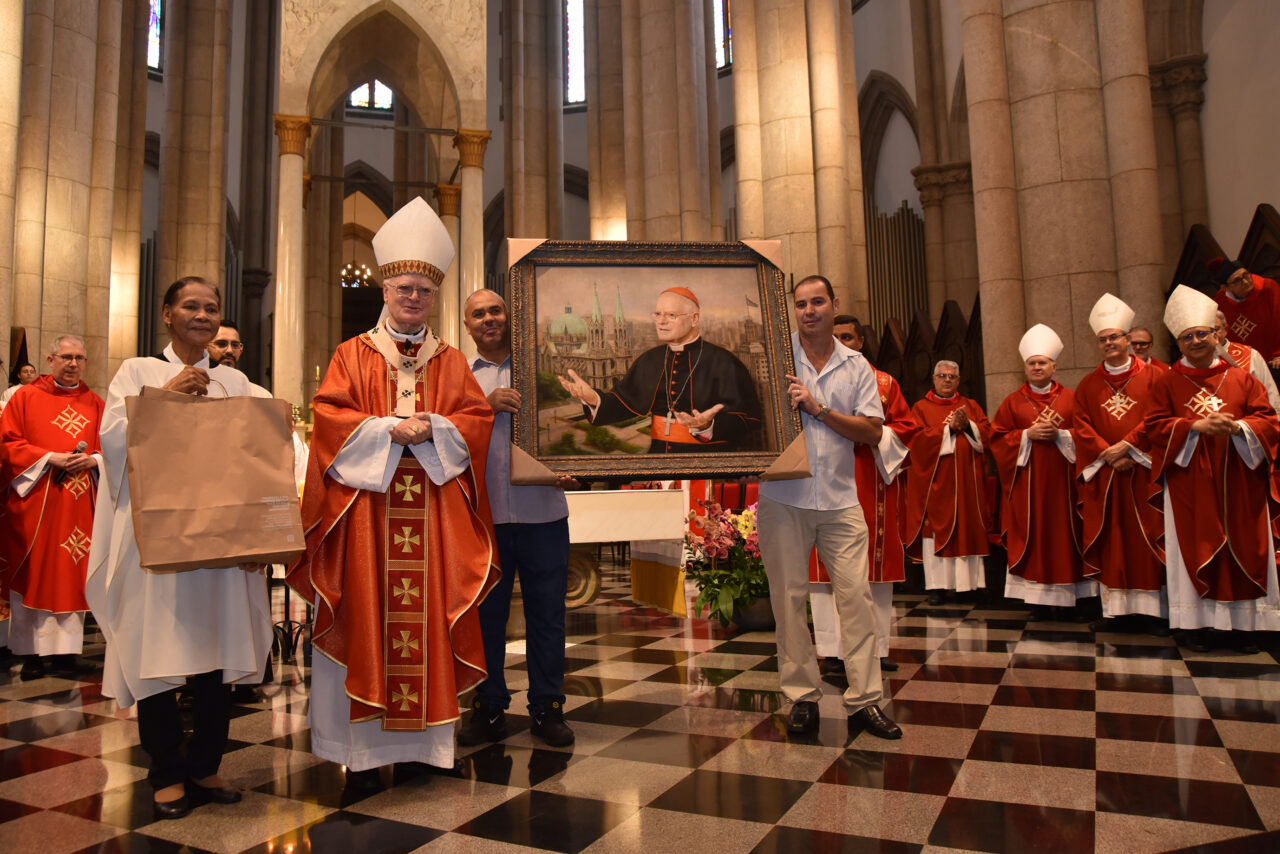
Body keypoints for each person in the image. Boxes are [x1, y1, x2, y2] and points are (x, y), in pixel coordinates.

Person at [286, 197, 498, 791]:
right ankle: (362, 754)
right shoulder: (351, 354)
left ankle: (425, 752)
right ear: (385, 289)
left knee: (426, 618)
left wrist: (436, 428)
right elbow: (329, 417)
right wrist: (385, 428)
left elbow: (475, 422)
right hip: (367, 519)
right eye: (404, 288)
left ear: (434, 298)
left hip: (431, 520)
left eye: (424, 292)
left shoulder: (452, 360)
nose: (413, 298)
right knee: (365, 617)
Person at [85, 277, 273, 820]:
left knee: (219, 654)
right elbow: (113, 446)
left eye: (212, 308)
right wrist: (163, 400)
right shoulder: (137, 371)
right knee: (158, 655)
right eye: (190, 306)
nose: (202, 315)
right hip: (159, 546)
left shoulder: (239, 384)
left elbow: (263, 460)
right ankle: (166, 770)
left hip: (224, 547)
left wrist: (263, 535)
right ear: (167, 314)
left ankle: (207, 765)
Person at [757, 274, 900, 740]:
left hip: (840, 499)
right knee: (789, 600)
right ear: (792, 311)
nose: (809, 310)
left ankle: (864, 701)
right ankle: (802, 696)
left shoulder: (856, 365)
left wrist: (819, 410)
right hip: (783, 497)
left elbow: (873, 432)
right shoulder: (774, 361)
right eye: (801, 304)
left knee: (855, 600)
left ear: (835, 305)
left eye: (818, 302)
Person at [458, 288, 576, 748]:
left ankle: (548, 706)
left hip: (544, 511)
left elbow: (577, 422)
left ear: (509, 316)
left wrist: (575, 466)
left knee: (547, 615)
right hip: (483, 517)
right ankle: (488, 707)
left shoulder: (543, 368)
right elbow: (445, 433)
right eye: (478, 314)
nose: (489, 318)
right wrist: (482, 409)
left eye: (495, 310)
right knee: (486, 616)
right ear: (467, 325)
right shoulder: (459, 378)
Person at [1147, 285, 1280, 653]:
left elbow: (1268, 420)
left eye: (1201, 334)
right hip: (1190, 484)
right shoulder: (1167, 383)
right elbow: (1154, 425)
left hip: (1240, 479)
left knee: (1245, 545)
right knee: (1193, 545)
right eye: (1187, 337)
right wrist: (1193, 427)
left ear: (1215, 334)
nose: (1195, 341)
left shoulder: (1242, 378)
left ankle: (1245, 627)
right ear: (1178, 342)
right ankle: (1196, 624)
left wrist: (1239, 427)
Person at [809, 315, 918, 675]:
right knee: (828, 569)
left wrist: (872, 435)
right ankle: (832, 651)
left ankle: (877, 647)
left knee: (872, 568)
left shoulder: (885, 383)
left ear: (860, 342)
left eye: (848, 337)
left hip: (871, 483)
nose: (842, 341)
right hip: (825, 484)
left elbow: (905, 428)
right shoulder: (813, 379)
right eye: (835, 335)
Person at [1, 335, 103, 680]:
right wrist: (49, 457)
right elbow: (8, 443)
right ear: (50, 360)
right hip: (37, 502)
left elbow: (112, 446)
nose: (73, 363)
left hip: (79, 505)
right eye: (66, 357)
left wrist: (93, 459)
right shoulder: (25, 398)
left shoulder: (96, 403)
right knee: (36, 573)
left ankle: (67, 655)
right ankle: (30, 654)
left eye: (79, 358)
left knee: (73, 573)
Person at [557, 286, 763, 453]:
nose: (661, 321)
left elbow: (750, 420)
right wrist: (592, 398)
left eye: (671, 315)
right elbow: (623, 403)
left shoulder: (724, 362)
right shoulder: (650, 359)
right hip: (658, 461)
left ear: (694, 319)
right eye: (658, 314)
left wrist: (705, 427)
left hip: (707, 465)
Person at [1073, 294, 1167, 630]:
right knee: (1111, 537)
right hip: (1107, 474)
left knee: (1148, 536)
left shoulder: (1157, 377)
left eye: (1115, 336)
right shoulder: (1087, 385)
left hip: (1144, 470)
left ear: (1129, 340)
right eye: (1103, 339)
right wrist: (1107, 452)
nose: (1109, 343)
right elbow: (1080, 424)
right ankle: (1115, 613)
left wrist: (1127, 446)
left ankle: (1154, 612)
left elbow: (1159, 416)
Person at [990, 324, 1094, 620]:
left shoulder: (1073, 398)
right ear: (1025, 367)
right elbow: (997, 438)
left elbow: (1086, 435)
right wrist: (1027, 435)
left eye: (1042, 362)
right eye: (1032, 363)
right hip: (1029, 486)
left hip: (1064, 483)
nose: (1037, 367)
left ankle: (1072, 597)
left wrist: (1061, 436)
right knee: (1034, 534)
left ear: (1053, 366)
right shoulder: (1012, 401)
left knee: (1065, 533)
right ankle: (1037, 600)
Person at [902, 361, 992, 606]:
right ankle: (937, 587)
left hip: (967, 486)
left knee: (967, 528)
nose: (947, 380)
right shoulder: (920, 408)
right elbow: (915, 440)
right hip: (936, 486)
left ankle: (969, 587)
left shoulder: (971, 406)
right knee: (936, 532)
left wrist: (970, 426)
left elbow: (987, 433)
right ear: (933, 378)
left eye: (952, 376)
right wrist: (948, 429)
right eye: (942, 376)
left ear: (959, 380)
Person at [1212, 259, 1280, 367]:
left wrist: (1278, 353)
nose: (1246, 281)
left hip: (1275, 360)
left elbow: (1278, 320)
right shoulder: (1220, 302)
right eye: (1237, 280)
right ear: (1226, 288)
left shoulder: (1268, 288)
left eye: (1246, 275)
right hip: (1244, 365)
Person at [1213, 310, 1280, 413]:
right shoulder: (1190, 362)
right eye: (1204, 332)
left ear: (1226, 329)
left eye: (1216, 329)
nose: (1212, 335)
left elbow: (1270, 394)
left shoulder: (1251, 355)